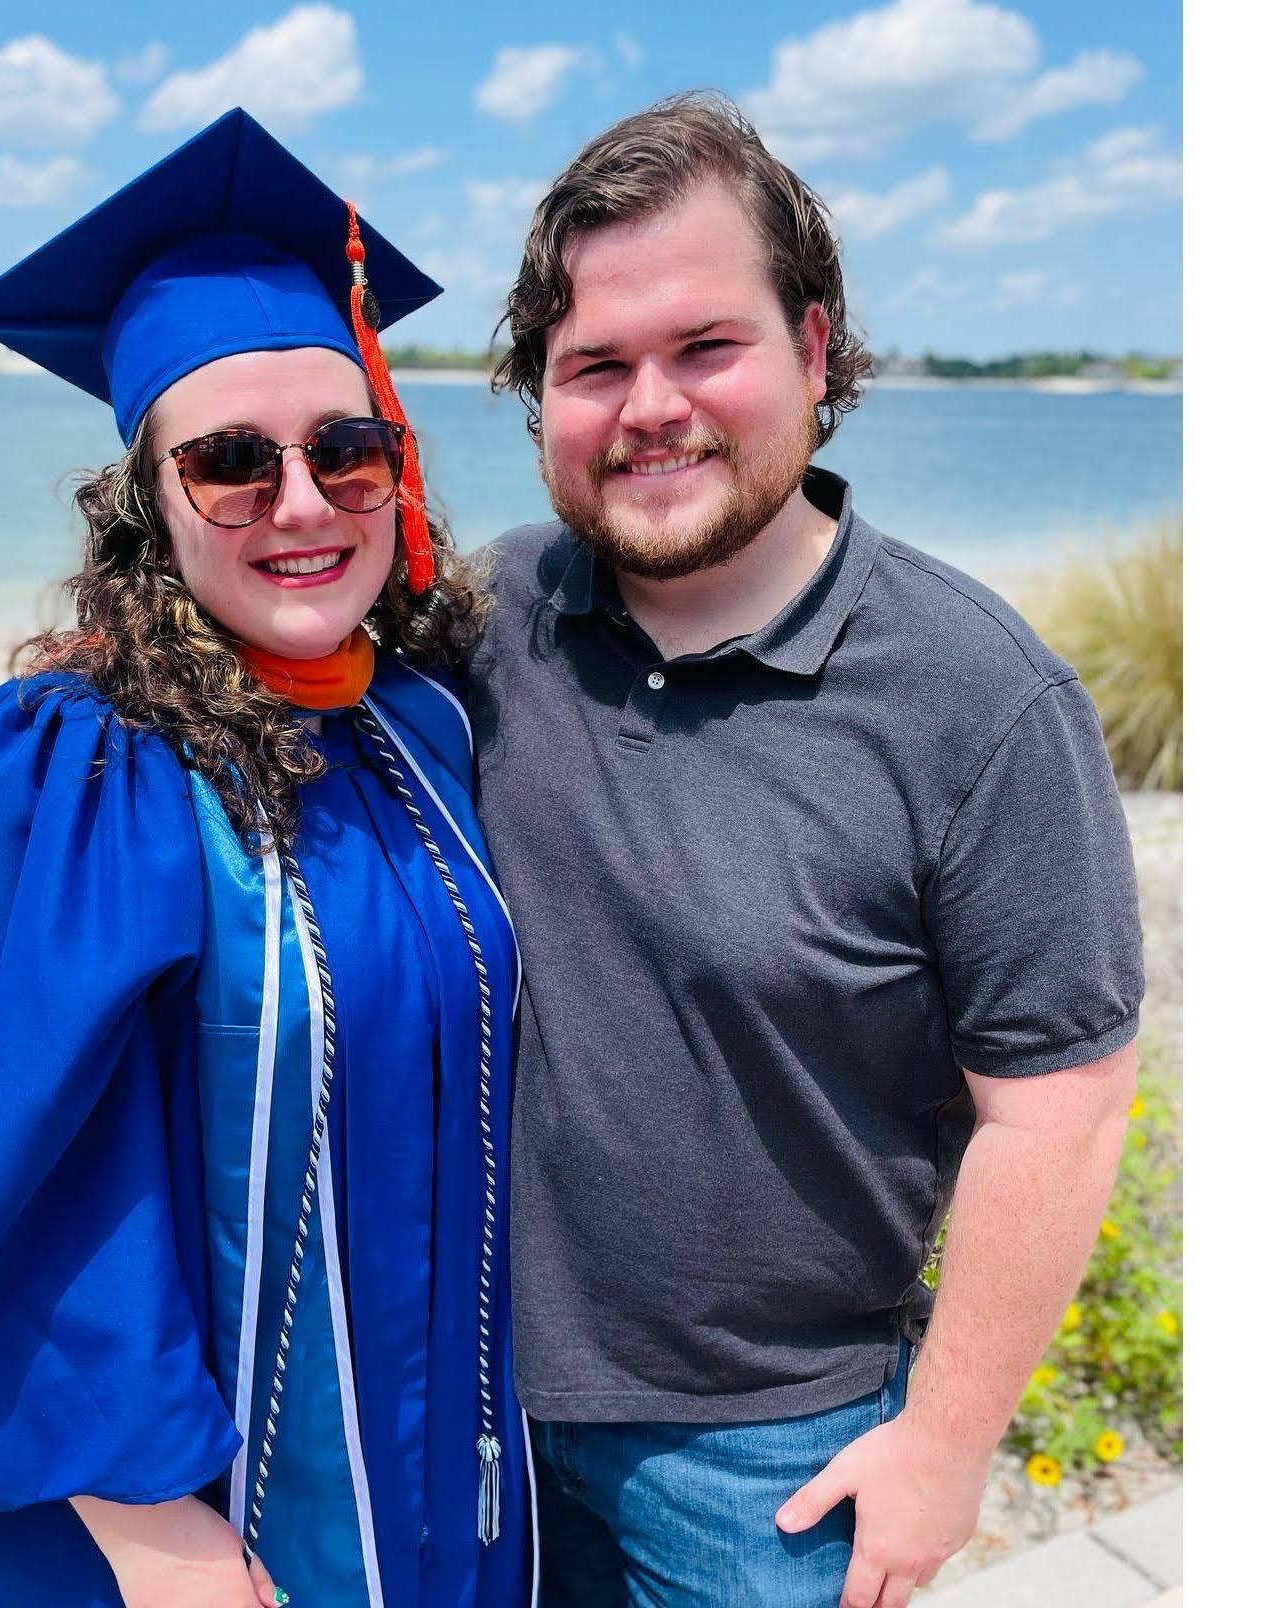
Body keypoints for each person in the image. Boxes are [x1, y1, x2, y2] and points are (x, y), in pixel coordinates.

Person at [0, 108, 533, 1608]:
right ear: (146, 504)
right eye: (228, 463)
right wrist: (159, 1529)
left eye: (348, 451)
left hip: (435, 1488)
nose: (300, 503)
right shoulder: (56, 772)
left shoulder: (417, 731)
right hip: (158, 1541)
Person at [467, 92, 1144, 1608]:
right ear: (539, 400)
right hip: (466, 1416)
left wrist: (951, 1442)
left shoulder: (980, 701)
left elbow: (1063, 1112)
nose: (651, 407)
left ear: (814, 351)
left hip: (768, 1468)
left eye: (706, 346)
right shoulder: (485, 622)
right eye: (594, 367)